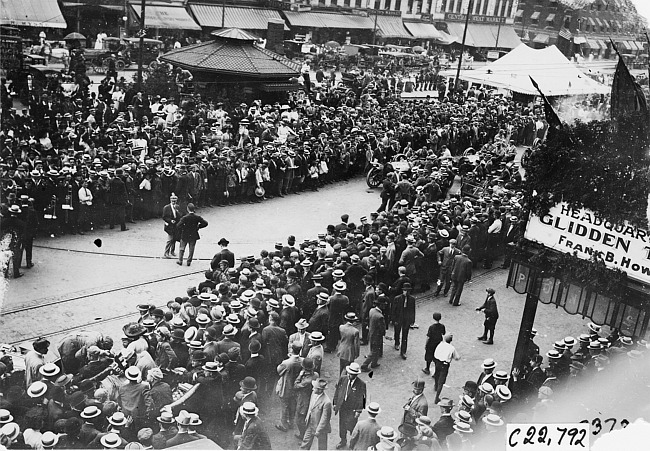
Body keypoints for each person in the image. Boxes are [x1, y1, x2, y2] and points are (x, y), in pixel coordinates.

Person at [333, 362, 366, 449]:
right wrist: (335, 402)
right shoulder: (343, 379)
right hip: (342, 407)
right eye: (349, 373)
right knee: (342, 425)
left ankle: (352, 443)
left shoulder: (361, 384)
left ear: (356, 375)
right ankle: (343, 440)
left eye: (352, 374)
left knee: (352, 426)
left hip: (352, 409)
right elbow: (337, 391)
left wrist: (359, 410)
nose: (349, 375)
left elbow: (362, 398)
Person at [300, 378, 332, 450]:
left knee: (322, 447)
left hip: (321, 428)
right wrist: (307, 417)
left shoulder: (327, 402)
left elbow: (325, 419)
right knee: (305, 443)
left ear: (320, 390)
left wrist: (318, 430)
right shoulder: (313, 394)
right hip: (311, 424)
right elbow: (310, 406)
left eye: (314, 388)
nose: (312, 389)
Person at [433, 334, 461, 404]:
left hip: (437, 362)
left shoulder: (440, 344)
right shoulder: (452, 348)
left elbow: (435, 353)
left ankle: (436, 386)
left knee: (437, 375)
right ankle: (436, 397)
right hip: (444, 365)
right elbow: (457, 357)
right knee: (441, 381)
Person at [361, 297, 386, 372]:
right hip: (377, 336)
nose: (385, 306)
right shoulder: (380, 316)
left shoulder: (371, 310)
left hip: (371, 333)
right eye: (384, 304)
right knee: (374, 351)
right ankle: (364, 365)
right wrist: (383, 334)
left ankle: (374, 363)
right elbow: (382, 329)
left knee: (373, 349)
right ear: (380, 305)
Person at [392, 282, 416, 359]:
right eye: (405, 290)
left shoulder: (412, 299)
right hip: (398, 318)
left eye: (408, 290)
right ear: (403, 290)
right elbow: (393, 310)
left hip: (406, 320)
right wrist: (394, 320)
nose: (406, 292)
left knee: (405, 335)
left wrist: (412, 320)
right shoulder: (397, 298)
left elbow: (413, 310)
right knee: (397, 332)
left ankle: (403, 351)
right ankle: (396, 343)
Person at [162, 193, 180, 258]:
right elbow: (164, 217)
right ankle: (166, 253)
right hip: (169, 226)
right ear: (170, 200)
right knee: (170, 239)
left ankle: (172, 251)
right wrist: (170, 221)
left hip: (175, 225)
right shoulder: (166, 207)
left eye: (175, 200)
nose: (173, 201)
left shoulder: (177, 207)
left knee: (174, 239)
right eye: (172, 200)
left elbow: (179, 216)